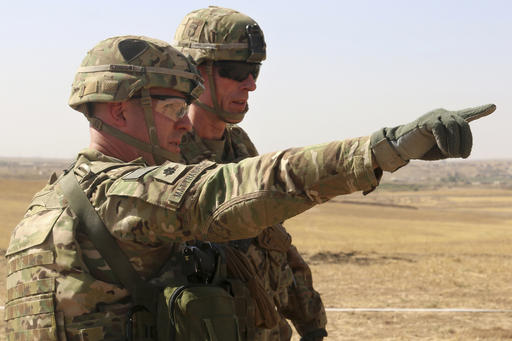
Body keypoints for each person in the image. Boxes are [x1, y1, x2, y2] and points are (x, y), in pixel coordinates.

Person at [4, 34, 494, 340]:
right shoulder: (123, 194)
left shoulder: (45, 204)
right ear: (118, 111)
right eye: (173, 110)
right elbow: (236, 190)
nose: (183, 126)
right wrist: (386, 148)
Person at [173, 6, 326, 341]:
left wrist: (311, 324)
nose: (251, 85)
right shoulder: (164, 160)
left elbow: (275, 240)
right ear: (195, 73)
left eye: (254, 70)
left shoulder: (240, 147)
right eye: (236, 70)